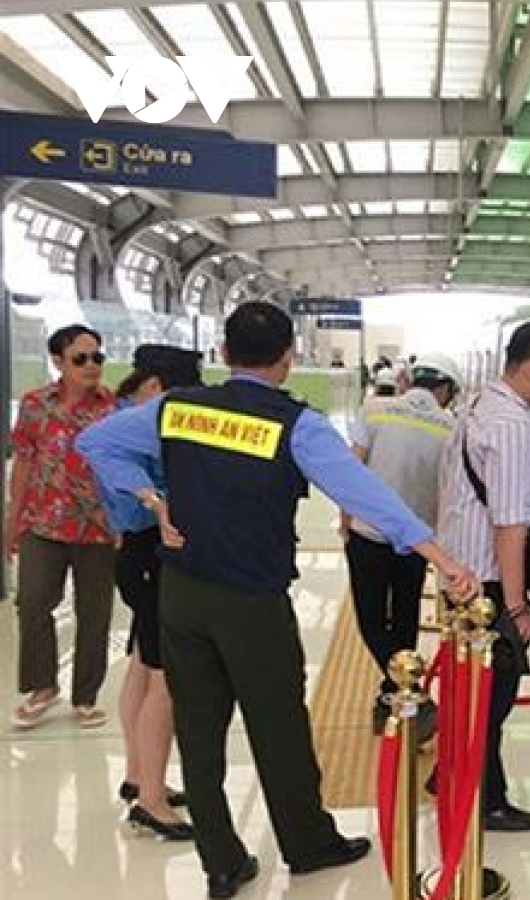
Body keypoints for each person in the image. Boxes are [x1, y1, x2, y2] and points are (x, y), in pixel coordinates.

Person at [77, 302, 480, 900]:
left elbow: (94, 442)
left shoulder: (176, 408)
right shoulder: (297, 425)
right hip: (251, 602)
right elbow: (362, 493)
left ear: (224, 352)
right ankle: (308, 842)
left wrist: (151, 501)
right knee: (279, 725)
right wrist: (439, 556)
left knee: (199, 727)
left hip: (182, 592)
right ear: (288, 358)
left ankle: (221, 861)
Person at [436, 321, 530, 833]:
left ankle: (452, 776)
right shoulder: (513, 427)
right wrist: (516, 607)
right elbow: (510, 524)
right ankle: (486, 801)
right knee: (491, 699)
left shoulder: (477, 406)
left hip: (462, 577)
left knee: (471, 691)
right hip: (489, 589)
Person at [98, 345, 205, 841]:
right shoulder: (135, 429)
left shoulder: (123, 417)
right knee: (165, 681)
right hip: (148, 553)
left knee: (143, 667)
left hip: (137, 554)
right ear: (159, 386)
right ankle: (153, 802)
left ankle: (139, 776)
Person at [7, 324, 118, 731]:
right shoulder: (35, 405)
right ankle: (43, 686)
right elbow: (23, 463)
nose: (91, 366)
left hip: (98, 529)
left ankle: (85, 696)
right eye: (80, 359)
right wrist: (12, 520)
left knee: (95, 614)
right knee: (33, 602)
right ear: (58, 362)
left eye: (97, 358)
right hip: (42, 524)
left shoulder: (112, 408)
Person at [343, 354, 461, 735]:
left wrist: (345, 523)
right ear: (446, 389)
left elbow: (351, 470)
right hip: (417, 542)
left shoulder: (374, 409)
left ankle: (406, 693)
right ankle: (399, 693)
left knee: (371, 619)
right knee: (406, 615)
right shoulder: (451, 426)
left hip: (368, 533)